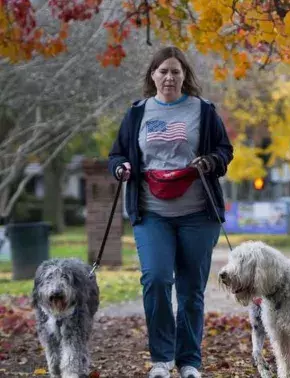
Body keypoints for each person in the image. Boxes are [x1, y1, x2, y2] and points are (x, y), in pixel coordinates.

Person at [108, 46, 234, 378]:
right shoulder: (137, 112)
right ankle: (162, 359)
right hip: (152, 212)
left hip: (197, 213)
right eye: (163, 71)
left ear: (184, 76)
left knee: (191, 289)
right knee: (156, 279)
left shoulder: (203, 111)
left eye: (175, 71)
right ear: (152, 76)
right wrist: (120, 167)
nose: (169, 77)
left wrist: (211, 161)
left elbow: (224, 150)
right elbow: (117, 153)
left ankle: (189, 361)